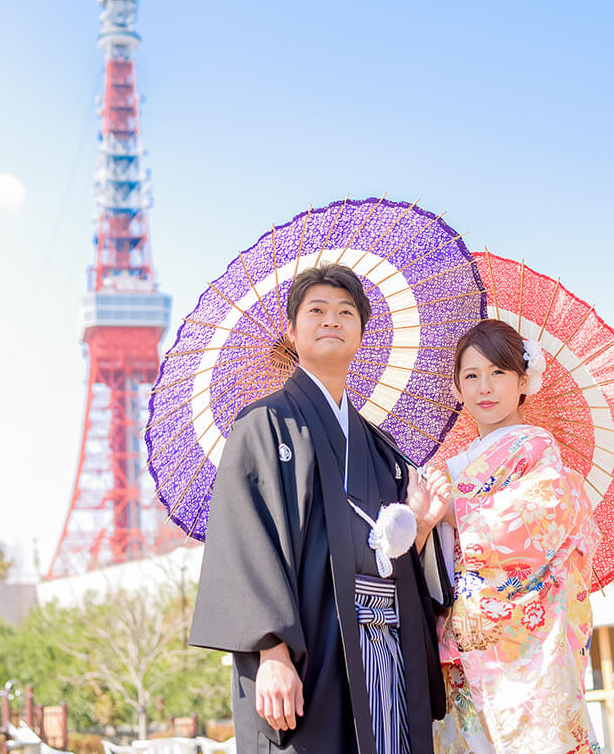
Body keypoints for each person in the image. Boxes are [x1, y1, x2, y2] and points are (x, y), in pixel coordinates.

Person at [190, 262, 450, 754]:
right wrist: (271, 653)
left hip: (385, 647)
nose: (331, 319)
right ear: (291, 330)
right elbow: (246, 543)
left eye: (346, 312)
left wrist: (423, 524)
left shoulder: (380, 447)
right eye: (317, 310)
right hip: (309, 649)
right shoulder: (263, 425)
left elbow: (390, 556)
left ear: (360, 332)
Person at [433, 318, 601, 754]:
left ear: (524, 381)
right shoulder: (455, 463)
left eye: (498, 373)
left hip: (525, 642)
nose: (484, 387)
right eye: (471, 376)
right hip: (465, 635)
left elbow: (542, 516)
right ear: (456, 389)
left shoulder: (535, 447)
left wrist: (452, 510)